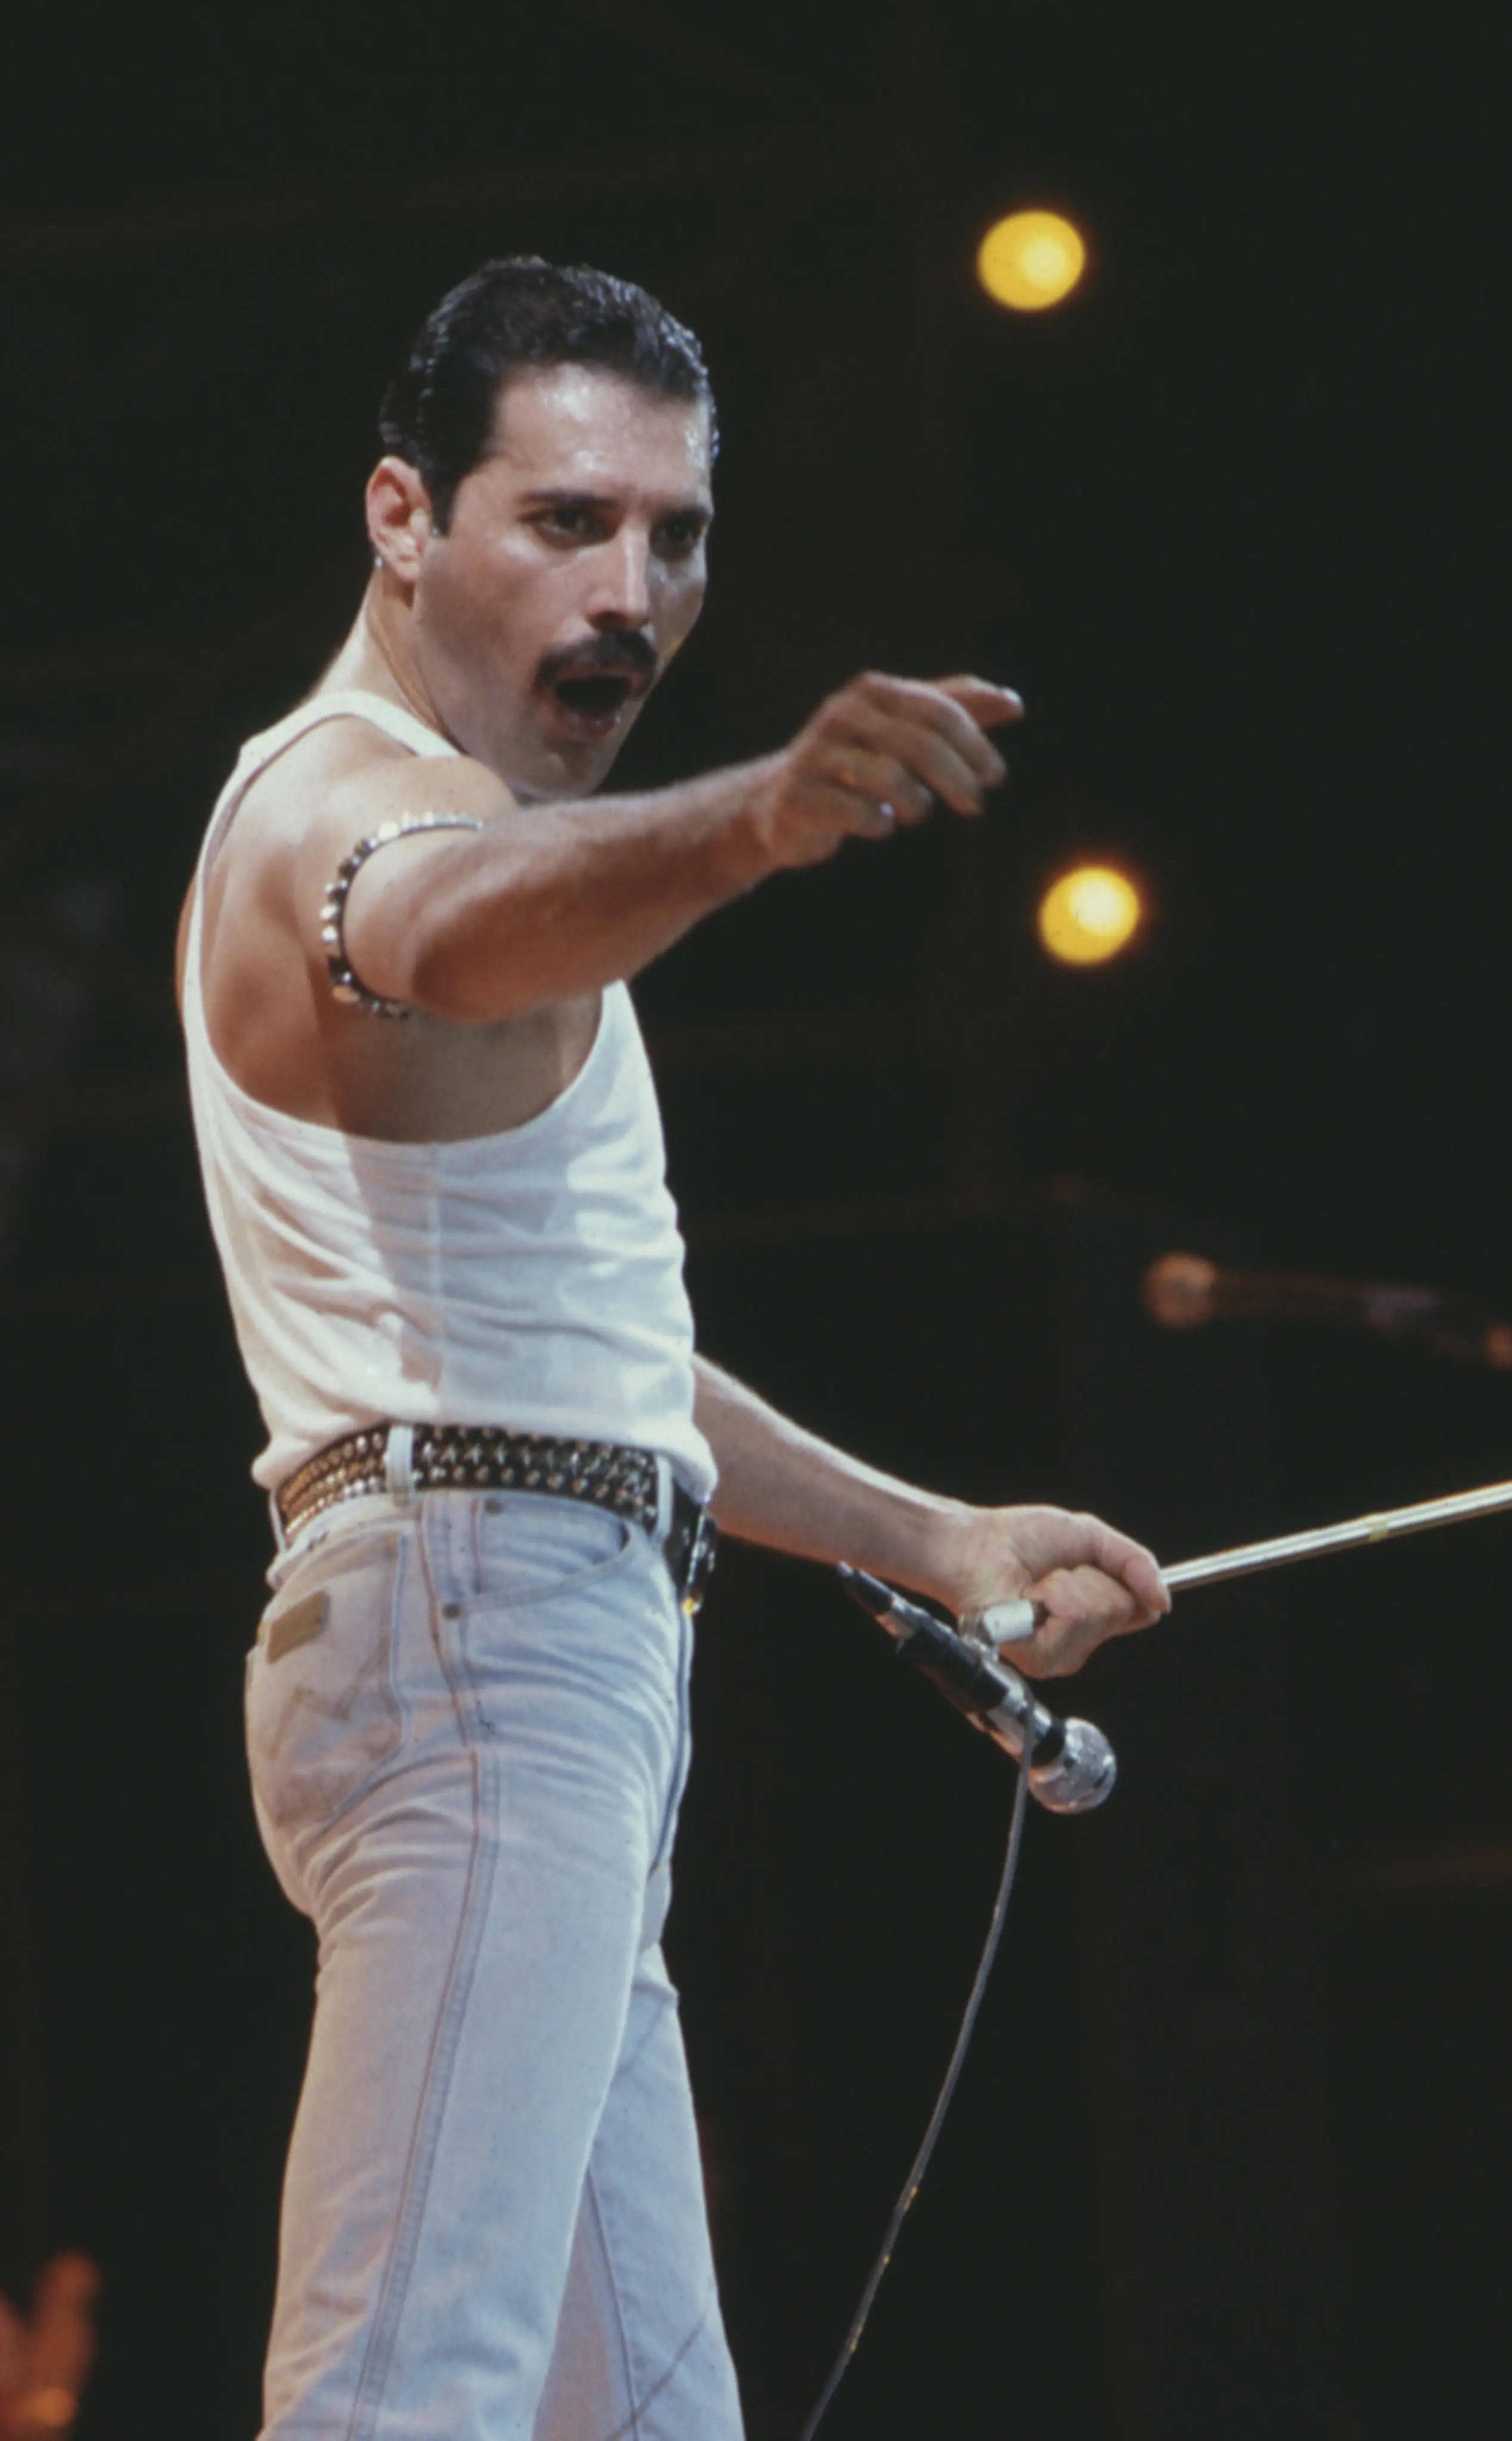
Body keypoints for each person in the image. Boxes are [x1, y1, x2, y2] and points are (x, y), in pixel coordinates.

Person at [177, 257, 1168, 2441]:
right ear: (400, 519)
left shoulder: (473, 817)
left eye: (679, 536)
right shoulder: (348, 816)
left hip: (536, 1645)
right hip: (483, 1651)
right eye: (565, 523)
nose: (633, 589)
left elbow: (605, 1365)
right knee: (399, 2398)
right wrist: (752, 819)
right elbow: (434, 925)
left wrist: (932, 1534)